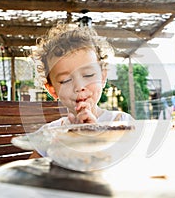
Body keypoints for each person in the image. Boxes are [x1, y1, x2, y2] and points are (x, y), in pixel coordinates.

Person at [29, 22, 133, 158]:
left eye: (88, 75)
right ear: (52, 90)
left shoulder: (121, 123)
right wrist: (59, 153)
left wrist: (95, 139)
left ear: (103, 77)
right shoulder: (50, 133)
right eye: (65, 80)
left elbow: (135, 164)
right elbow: (31, 172)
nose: (79, 87)